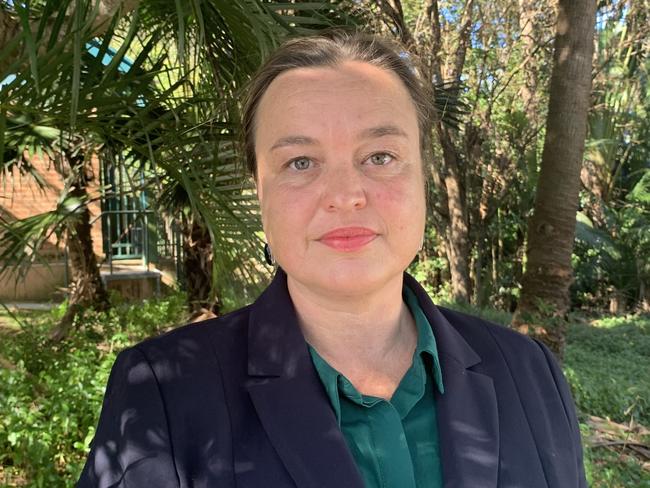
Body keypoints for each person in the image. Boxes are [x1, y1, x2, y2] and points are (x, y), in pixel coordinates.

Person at [77, 30, 587, 488]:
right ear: (260, 190)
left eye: (380, 157)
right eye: (300, 162)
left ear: (422, 176)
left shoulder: (530, 373)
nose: (345, 195)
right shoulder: (163, 393)